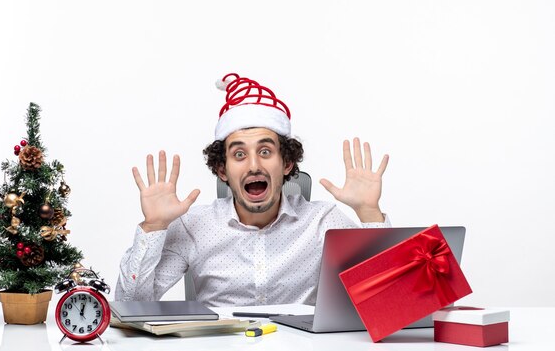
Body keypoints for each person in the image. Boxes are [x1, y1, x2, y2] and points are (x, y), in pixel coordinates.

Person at [115, 73, 391, 307]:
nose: (254, 165)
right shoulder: (194, 226)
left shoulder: (322, 221)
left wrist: (369, 213)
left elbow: (386, 301)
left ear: (287, 163)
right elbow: (130, 307)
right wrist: (153, 227)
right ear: (222, 170)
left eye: (265, 151)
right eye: (239, 155)